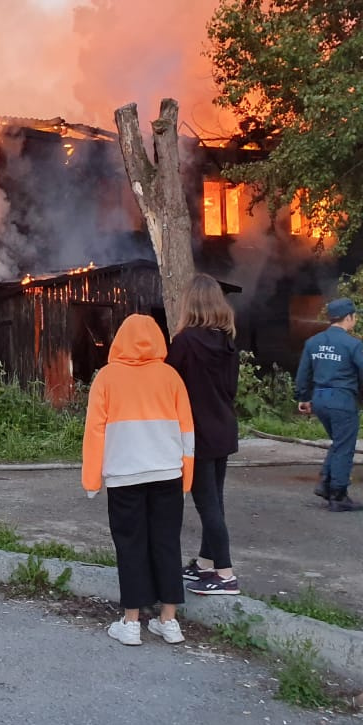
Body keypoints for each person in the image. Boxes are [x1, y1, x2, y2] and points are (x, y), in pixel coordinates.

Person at [82, 313, 195, 646]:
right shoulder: (171, 377)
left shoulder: (106, 377)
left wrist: (92, 480)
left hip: (123, 476)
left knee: (130, 545)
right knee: (166, 543)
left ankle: (131, 624)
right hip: (167, 475)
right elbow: (187, 432)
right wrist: (186, 478)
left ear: (119, 340)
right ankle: (169, 621)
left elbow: (94, 432)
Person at [166, 274, 241, 597]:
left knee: (206, 503)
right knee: (215, 500)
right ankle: (206, 562)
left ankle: (225, 574)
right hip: (224, 426)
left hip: (197, 431)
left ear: (190, 303)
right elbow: (232, 389)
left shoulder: (184, 342)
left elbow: (169, 383)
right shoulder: (228, 341)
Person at [294, 297, 363, 512]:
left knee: (339, 442)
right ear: (349, 317)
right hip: (341, 400)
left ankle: (325, 484)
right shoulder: (353, 344)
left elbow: (303, 374)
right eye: (354, 316)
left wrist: (303, 398)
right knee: (344, 446)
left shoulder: (313, 342)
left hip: (319, 399)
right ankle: (338, 495)